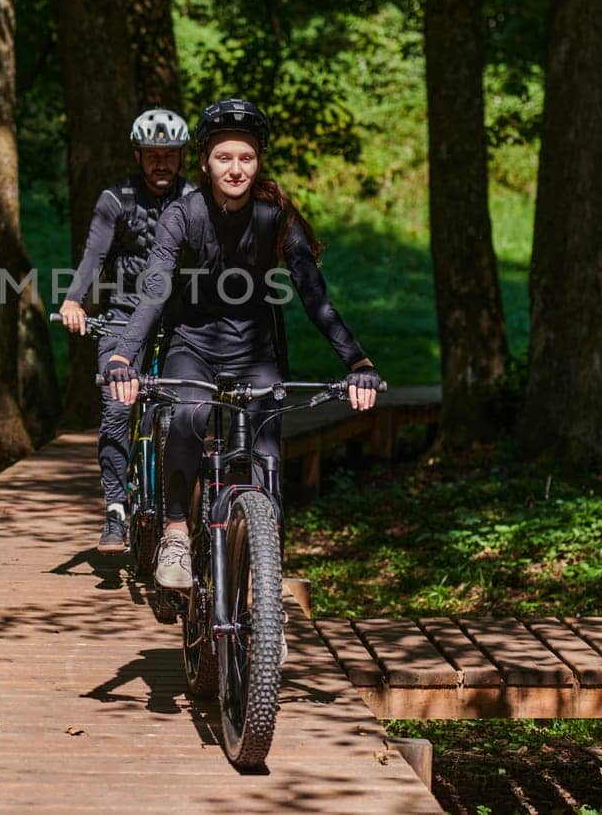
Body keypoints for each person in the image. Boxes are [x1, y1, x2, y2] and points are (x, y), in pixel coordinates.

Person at [103, 98, 382, 590]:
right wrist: (125, 355)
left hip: (256, 352)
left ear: (258, 162)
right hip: (193, 345)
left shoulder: (275, 216)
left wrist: (356, 360)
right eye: (225, 158)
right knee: (187, 416)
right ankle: (173, 533)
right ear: (207, 161)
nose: (236, 169)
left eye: (247, 158)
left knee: (267, 446)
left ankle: (262, 584)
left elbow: (315, 298)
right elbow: (153, 289)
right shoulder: (182, 215)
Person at [59, 108, 197, 553]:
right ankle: (116, 507)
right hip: (120, 316)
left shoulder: (196, 199)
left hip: (178, 321)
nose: (162, 163)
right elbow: (94, 257)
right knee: (119, 407)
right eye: (153, 154)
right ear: (137, 155)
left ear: (182, 158)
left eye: (171, 155)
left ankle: (184, 514)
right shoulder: (114, 199)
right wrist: (75, 300)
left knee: (189, 413)